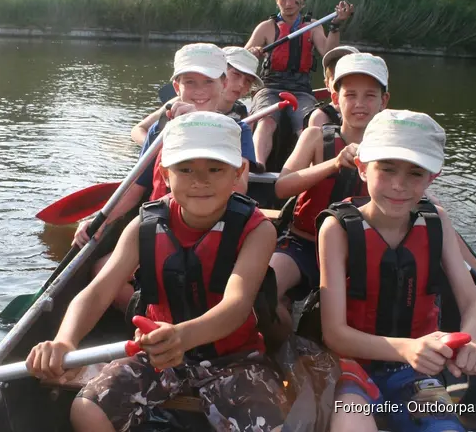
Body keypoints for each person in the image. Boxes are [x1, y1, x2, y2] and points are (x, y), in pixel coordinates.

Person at [27, 112, 288, 432]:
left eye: (216, 169)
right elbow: (98, 291)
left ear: (239, 172)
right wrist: (65, 342)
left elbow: (236, 305)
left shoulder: (257, 230)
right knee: (86, 409)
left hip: (233, 358)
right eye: (186, 168)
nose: (200, 180)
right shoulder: (144, 226)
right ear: (164, 173)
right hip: (155, 355)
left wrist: (182, 336)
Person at [317, 109, 476, 432]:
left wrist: (470, 343)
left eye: (415, 173)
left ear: (432, 177)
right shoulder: (336, 229)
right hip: (350, 366)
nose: (399, 186)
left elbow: (473, 305)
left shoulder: (436, 221)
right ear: (363, 169)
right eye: (387, 169)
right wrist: (407, 348)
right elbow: (335, 334)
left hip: (415, 371)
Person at [73, 43, 256, 311]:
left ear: (223, 82)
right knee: (101, 270)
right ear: (176, 85)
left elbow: (238, 188)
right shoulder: (160, 131)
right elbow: (137, 187)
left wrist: (197, 129)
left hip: (213, 231)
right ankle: (152, 319)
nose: (200, 91)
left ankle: (182, 323)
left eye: (209, 81)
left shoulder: (237, 130)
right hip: (162, 227)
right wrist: (101, 219)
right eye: (190, 82)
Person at [269, 52, 390, 341]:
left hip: (357, 256)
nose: (360, 104)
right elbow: (281, 187)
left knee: (345, 322)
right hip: (303, 246)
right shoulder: (314, 137)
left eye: (370, 96)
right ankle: (283, 347)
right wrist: (334, 163)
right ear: (335, 99)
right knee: (261, 290)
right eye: (350, 95)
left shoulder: (393, 152)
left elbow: (426, 208)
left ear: (384, 102)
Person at [245, 0, 354, 171]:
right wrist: (253, 54)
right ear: (277, 0)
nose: (288, 3)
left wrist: (336, 25)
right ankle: (258, 164)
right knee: (267, 120)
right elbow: (242, 60)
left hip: (301, 89)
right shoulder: (266, 27)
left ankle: (306, 171)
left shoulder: (312, 26)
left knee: (306, 126)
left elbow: (328, 52)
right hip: (270, 87)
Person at [131, 46, 262, 145]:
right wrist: (155, 146)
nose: (240, 84)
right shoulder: (176, 104)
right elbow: (138, 129)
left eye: (248, 81)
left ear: (223, 82)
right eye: (236, 75)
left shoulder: (244, 118)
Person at [304, 45, 360, 129]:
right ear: (327, 84)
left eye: (348, 77)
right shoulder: (321, 117)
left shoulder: (367, 111)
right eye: (336, 77)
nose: (341, 83)